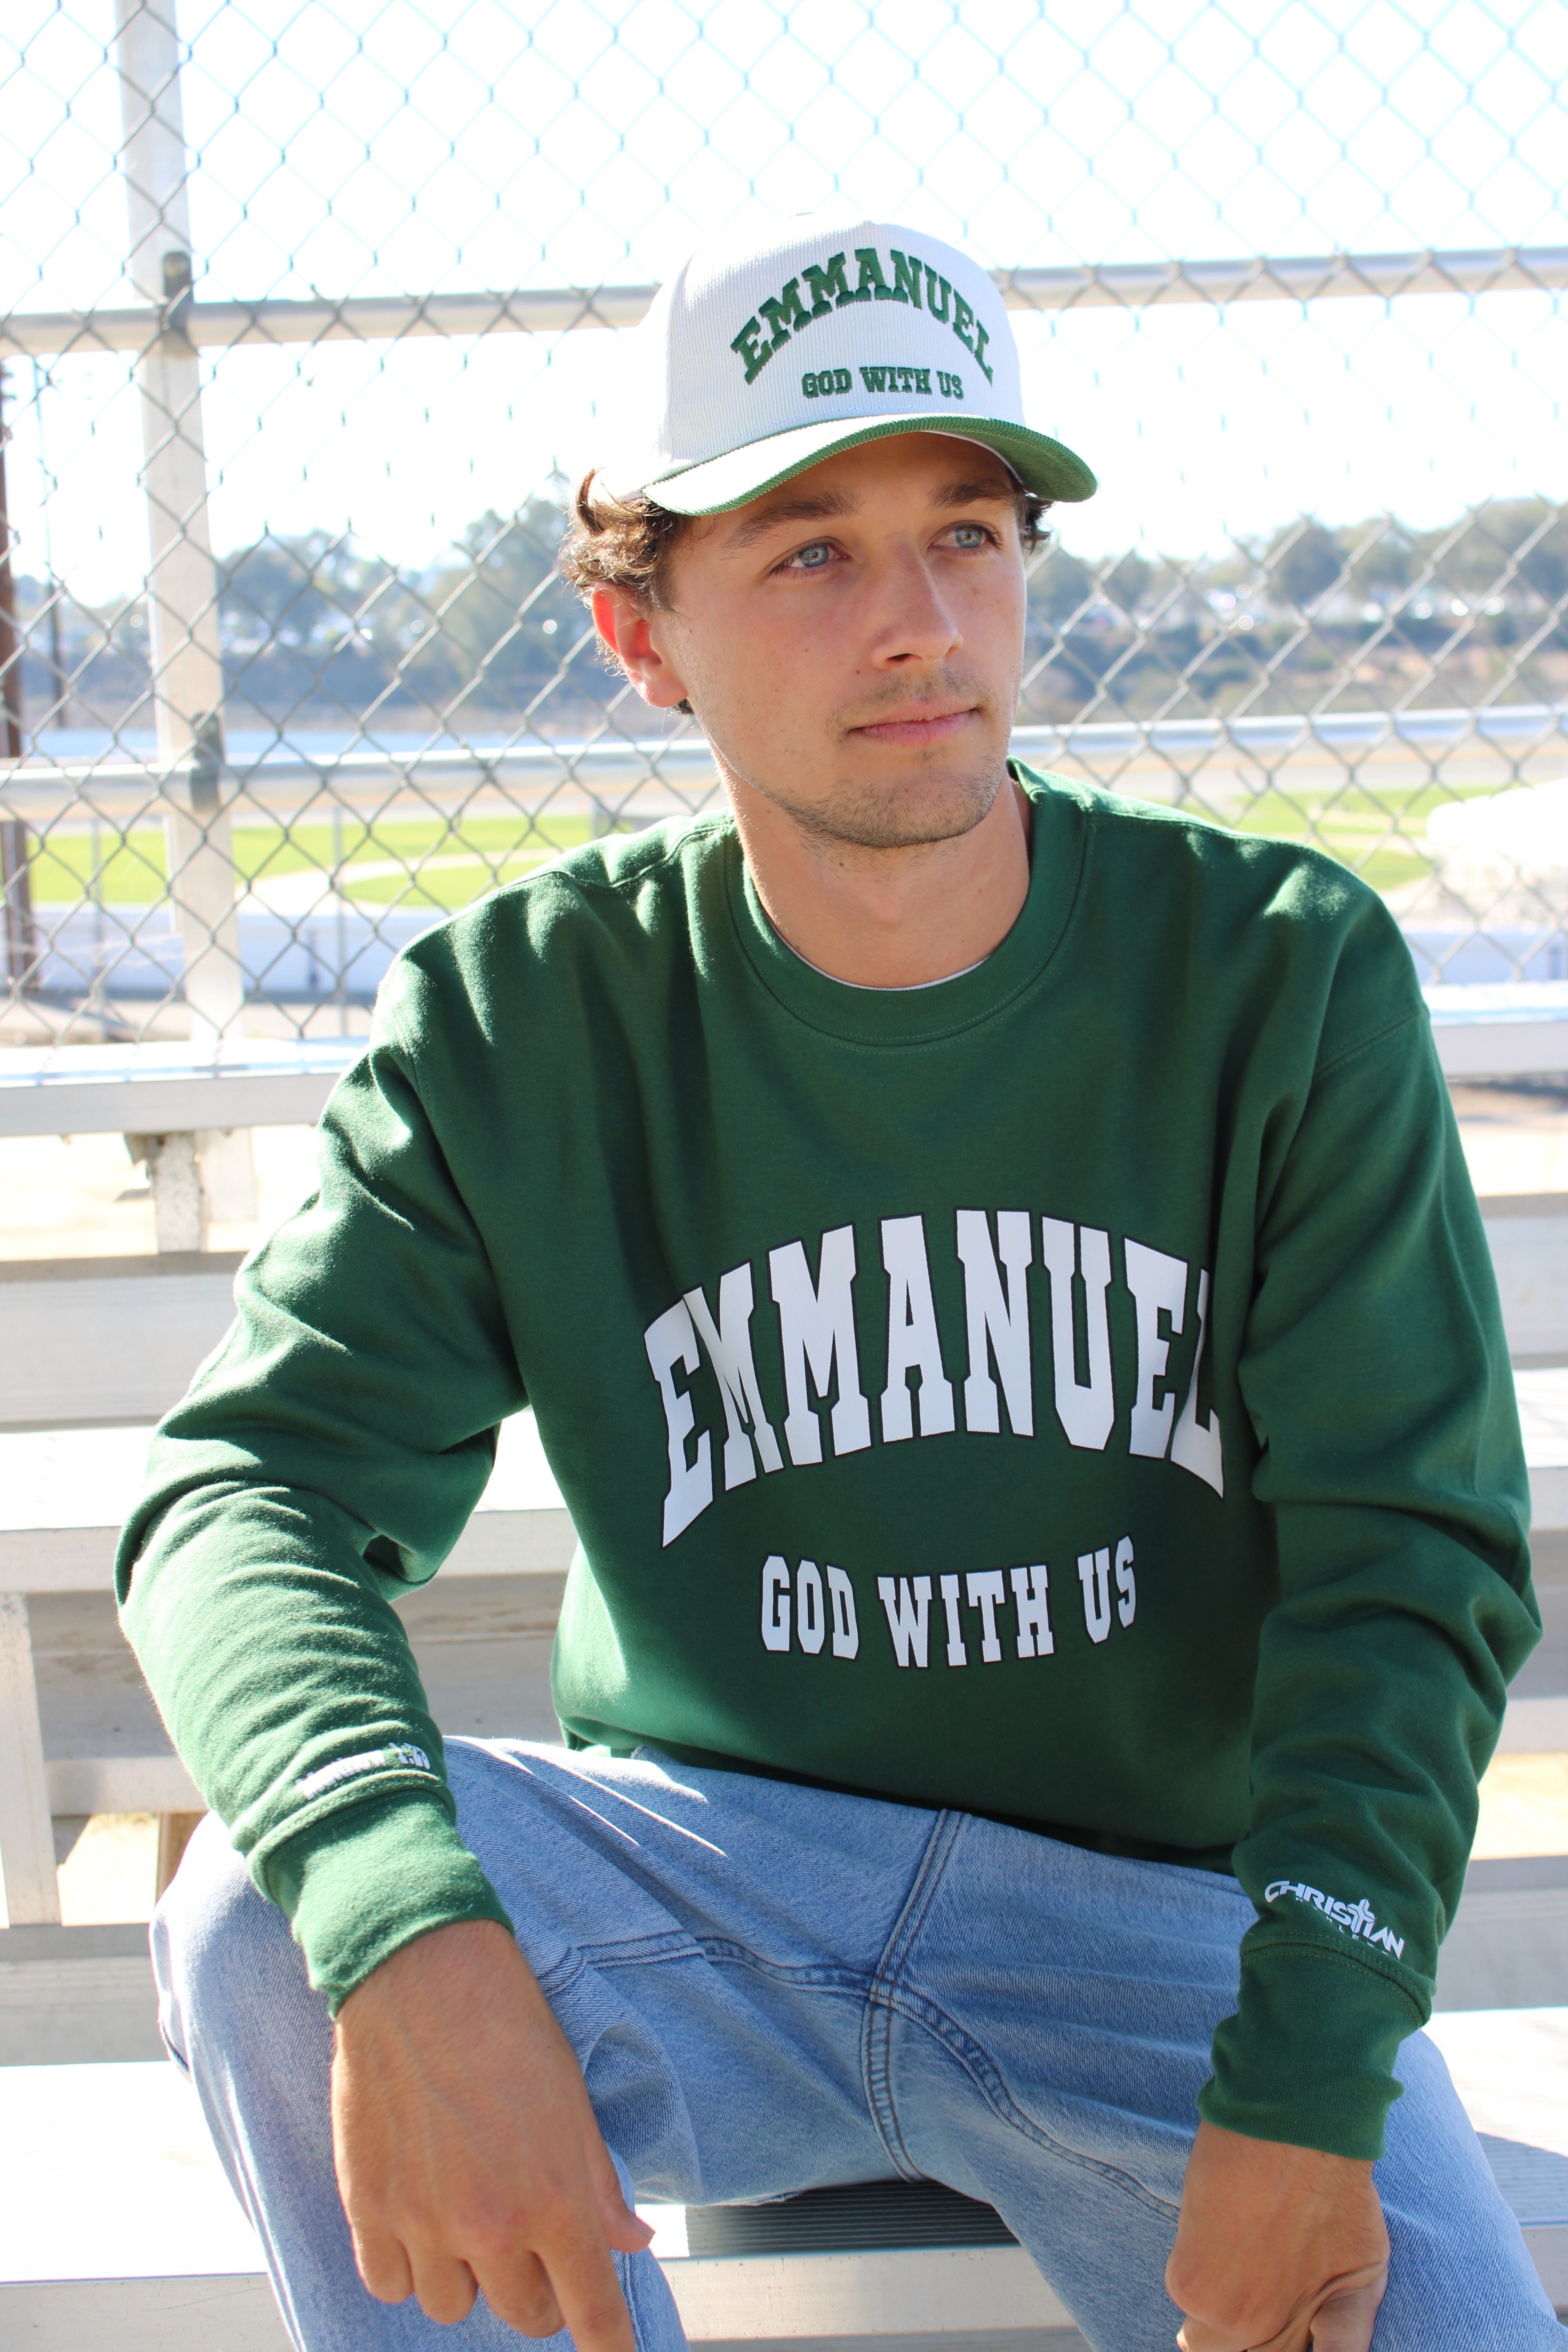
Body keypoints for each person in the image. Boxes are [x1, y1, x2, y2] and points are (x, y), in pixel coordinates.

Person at [121, 209, 1556, 2352]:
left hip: (1166, 1941)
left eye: (968, 534)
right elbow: (236, 1499)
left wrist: (1313, 2067)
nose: (919, 624)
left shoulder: (1273, 972)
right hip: (720, 1902)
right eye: (809, 550)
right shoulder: (523, 1017)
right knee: (258, 1919)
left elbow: (1408, 1558)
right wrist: (410, 1935)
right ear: (644, 635)